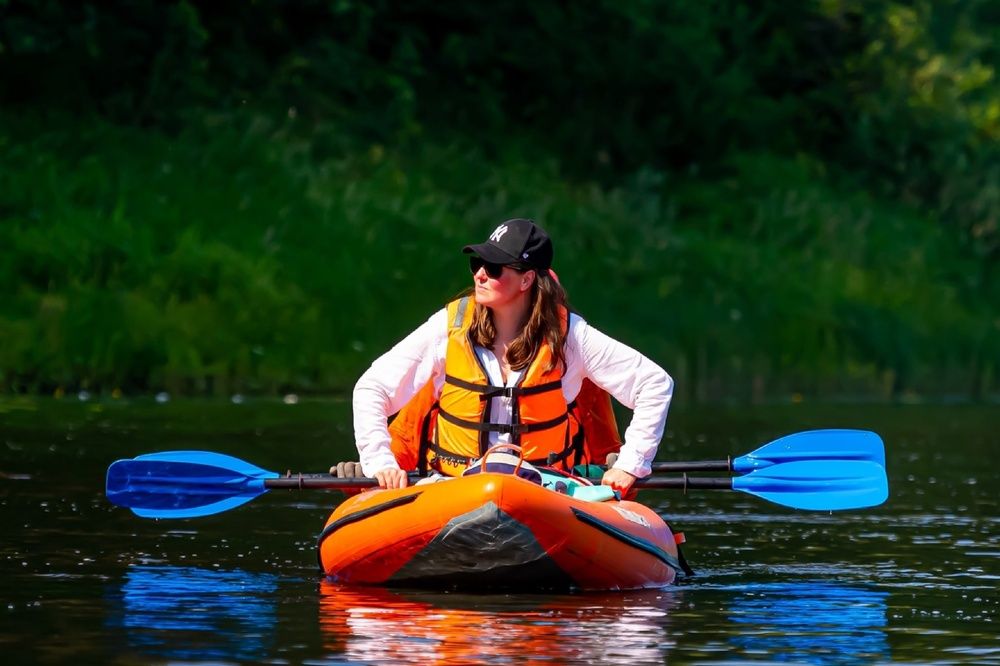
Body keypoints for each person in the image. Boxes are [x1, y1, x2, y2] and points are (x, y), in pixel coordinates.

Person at [346, 218, 673, 494]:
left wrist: (631, 464)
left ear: (527, 279)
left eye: (494, 268)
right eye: (477, 264)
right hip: (452, 488)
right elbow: (372, 388)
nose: (480, 274)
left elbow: (654, 384)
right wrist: (380, 462)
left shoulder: (571, 337)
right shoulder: (447, 329)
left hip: (543, 492)